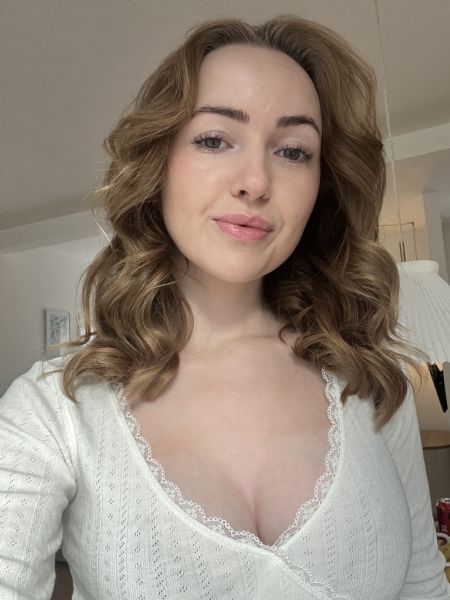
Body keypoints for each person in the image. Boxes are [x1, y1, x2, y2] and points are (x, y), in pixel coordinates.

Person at [1, 14, 449, 600]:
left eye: (293, 151)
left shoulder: (370, 384)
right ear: (160, 162)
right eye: (214, 139)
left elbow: (423, 587)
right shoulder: (52, 412)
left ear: (321, 187)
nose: (255, 181)